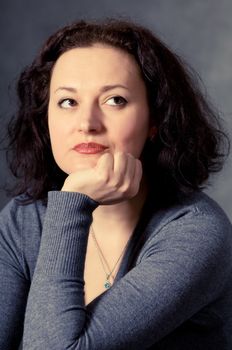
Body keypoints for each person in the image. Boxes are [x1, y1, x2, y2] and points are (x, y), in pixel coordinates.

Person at [0, 18, 231, 350]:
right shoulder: (24, 219)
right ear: (45, 117)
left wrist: (73, 203)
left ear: (155, 119)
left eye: (115, 100)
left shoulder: (197, 232)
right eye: (68, 101)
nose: (87, 123)